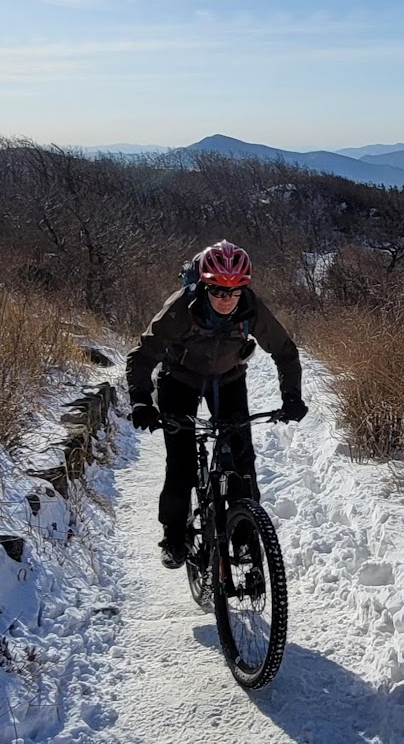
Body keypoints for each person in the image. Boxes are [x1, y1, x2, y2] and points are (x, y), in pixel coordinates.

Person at [125, 240, 307, 569]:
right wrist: (140, 400)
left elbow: (285, 352)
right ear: (204, 286)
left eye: (234, 292)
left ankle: (245, 534)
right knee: (180, 464)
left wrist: (291, 396)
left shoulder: (251, 308)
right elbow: (143, 355)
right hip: (179, 378)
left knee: (241, 461)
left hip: (228, 377)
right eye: (219, 292)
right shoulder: (182, 307)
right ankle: (174, 534)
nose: (227, 300)